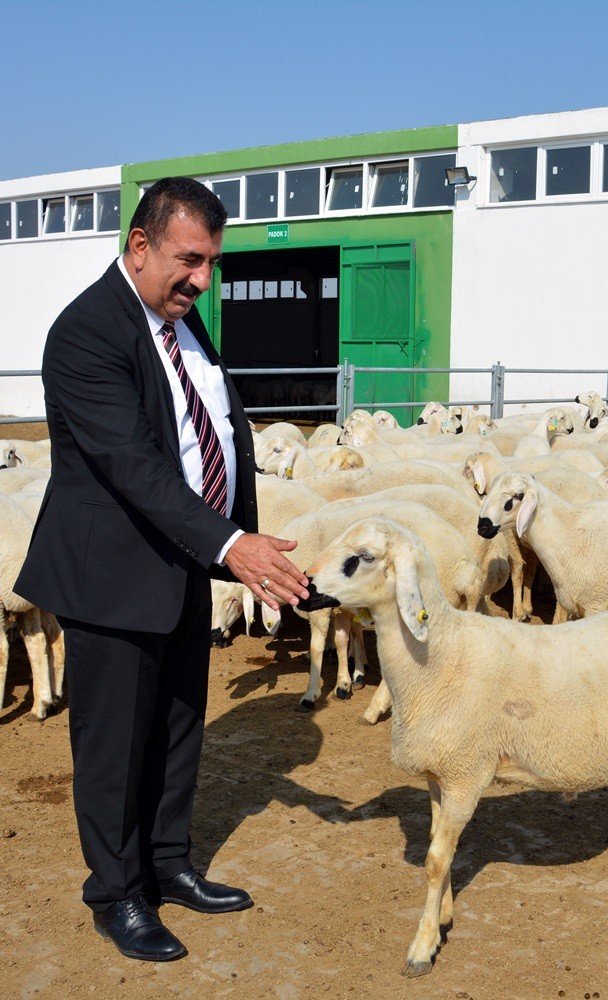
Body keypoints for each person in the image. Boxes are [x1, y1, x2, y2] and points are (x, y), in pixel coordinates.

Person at [14, 177, 310, 962]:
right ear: (139, 246)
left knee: (180, 726)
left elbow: (207, 429)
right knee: (115, 746)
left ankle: (168, 865)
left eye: (211, 262)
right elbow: (133, 465)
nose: (202, 280)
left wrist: (231, 536)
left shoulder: (179, 319)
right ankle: (115, 893)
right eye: (189, 260)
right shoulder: (86, 332)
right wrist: (230, 545)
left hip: (181, 561)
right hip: (112, 574)